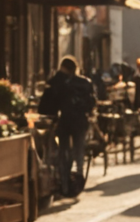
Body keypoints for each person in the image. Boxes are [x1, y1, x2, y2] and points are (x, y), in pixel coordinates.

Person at [36, 56, 96, 196]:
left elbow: (48, 104)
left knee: (63, 150)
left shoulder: (59, 81)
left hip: (64, 121)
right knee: (79, 148)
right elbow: (91, 102)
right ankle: (79, 175)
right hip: (81, 121)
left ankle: (64, 181)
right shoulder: (84, 82)